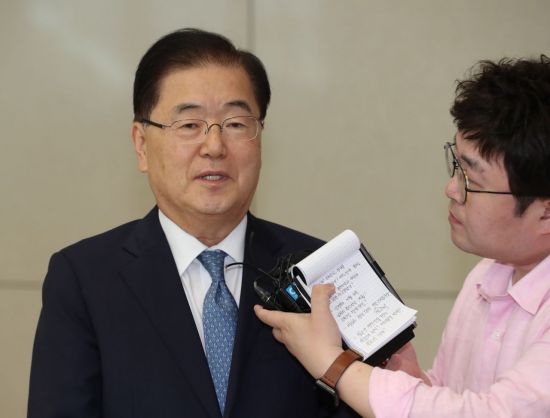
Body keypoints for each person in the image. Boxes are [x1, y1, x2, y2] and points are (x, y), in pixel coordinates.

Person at [27, 28, 359, 418]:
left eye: (236, 124)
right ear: (141, 144)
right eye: (189, 125)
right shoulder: (83, 280)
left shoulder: (322, 271)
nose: (214, 146)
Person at [255, 55, 550, 417]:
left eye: (472, 180)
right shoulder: (489, 273)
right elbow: (452, 398)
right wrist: (410, 378)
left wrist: (333, 365)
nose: (451, 189)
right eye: (456, 166)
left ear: (546, 212)